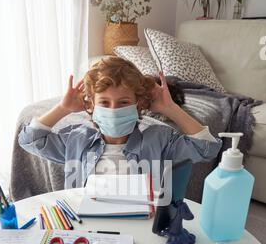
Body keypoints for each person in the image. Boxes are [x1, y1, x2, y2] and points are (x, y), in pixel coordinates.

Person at [18, 57, 222, 189]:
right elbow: (29, 140)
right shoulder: (76, 140)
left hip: (140, 223)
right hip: (88, 224)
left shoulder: (158, 140)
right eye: (104, 103)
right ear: (92, 106)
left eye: (123, 102)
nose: (113, 110)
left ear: (138, 104)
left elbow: (207, 149)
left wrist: (171, 109)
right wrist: (63, 109)